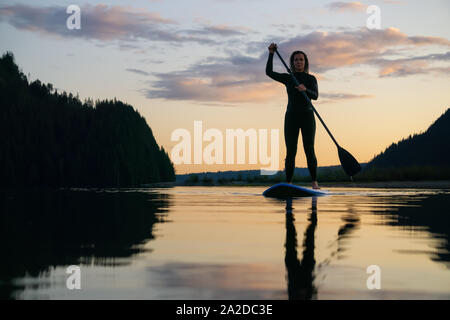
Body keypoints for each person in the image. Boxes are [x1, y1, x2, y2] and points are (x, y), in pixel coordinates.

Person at [266, 43, 320, 189]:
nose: (298, 62)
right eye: (296, 60)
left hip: (308, 116)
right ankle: (289, 183)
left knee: (309, 149)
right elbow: (269, 72)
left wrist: (305, 89)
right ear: (292, 62)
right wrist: (271, 54)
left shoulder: (311, 79)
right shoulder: (289, 78)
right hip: (291, 117)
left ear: (305, 62)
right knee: (291, 151)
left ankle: (314, 183)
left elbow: (315, 96)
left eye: (301, 59)